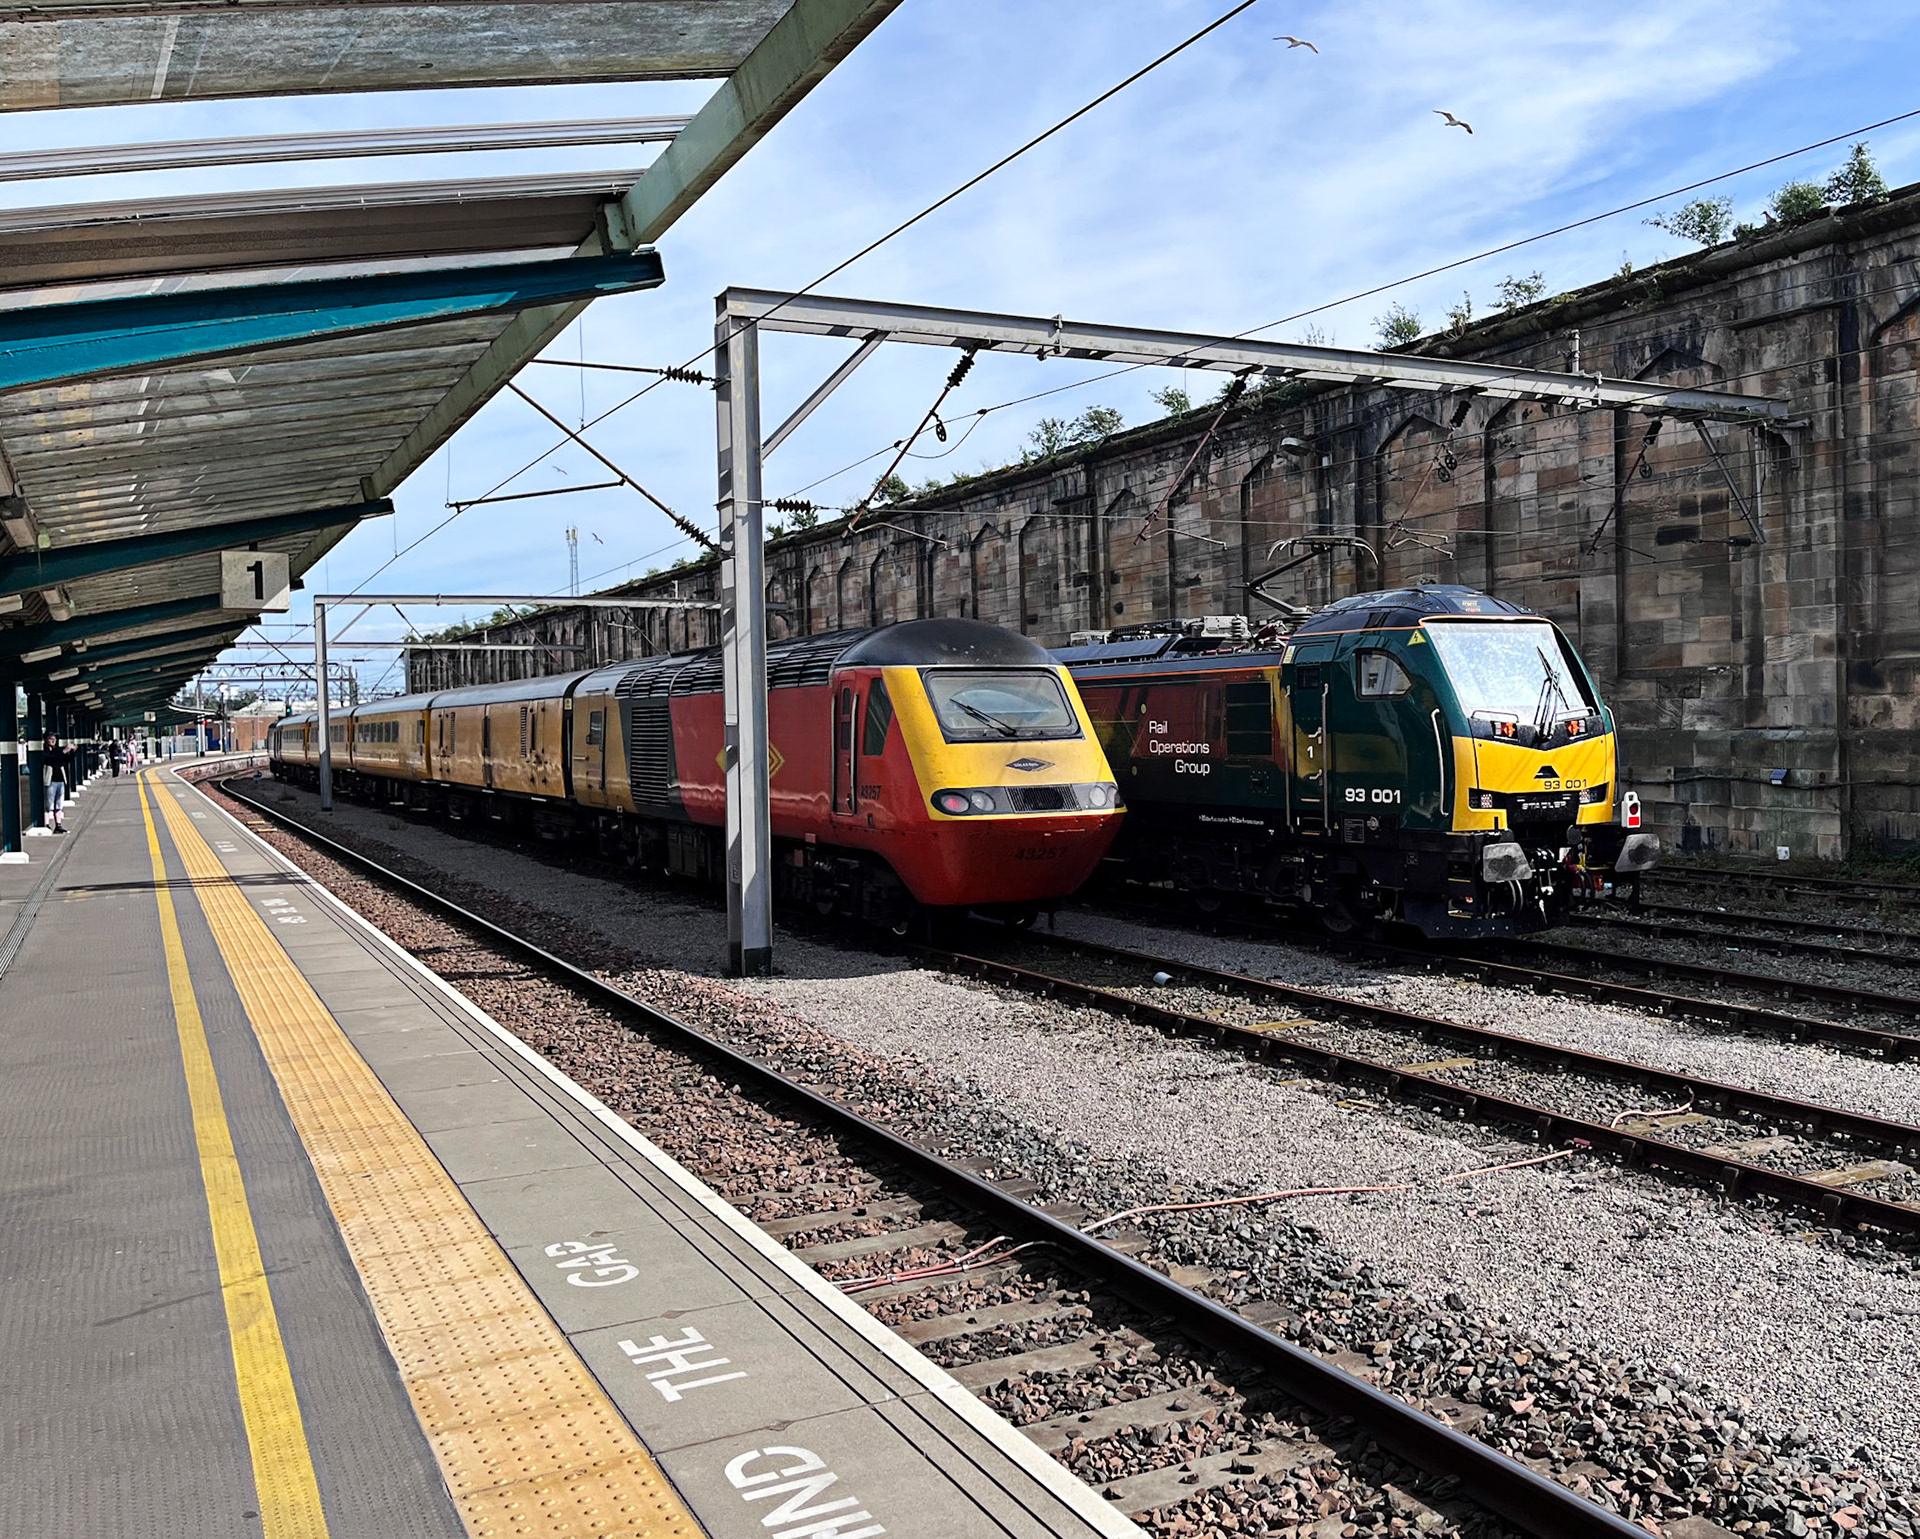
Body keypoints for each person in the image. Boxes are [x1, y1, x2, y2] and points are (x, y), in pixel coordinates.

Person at [44, 734, 69, 833]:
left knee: (59, 804)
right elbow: (51, 759)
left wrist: (72, 752)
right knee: (48, 804)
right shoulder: (44, 751)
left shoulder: (57, 750)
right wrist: (63, 752)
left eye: (54, 739)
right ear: (46, 739)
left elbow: (64, 759)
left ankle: (58, 824)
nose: (53, 740)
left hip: (60, 779)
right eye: (50, 738)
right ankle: (46, 824)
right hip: (50, 780)